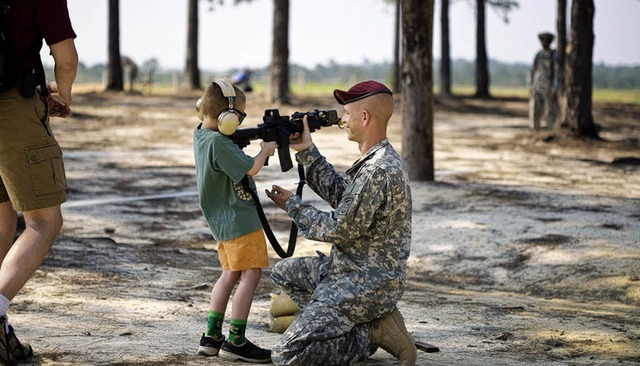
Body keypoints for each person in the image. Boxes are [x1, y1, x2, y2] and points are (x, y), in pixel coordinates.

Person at [265, 80, 417, 365]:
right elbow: (340, 194)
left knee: (286, 355)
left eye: (347, 113)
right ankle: (347, 323)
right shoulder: (374, 161)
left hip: (364, 283)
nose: (343, 119)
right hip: (348, 269)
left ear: (364, 117)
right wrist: (307, 150)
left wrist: (293, 206)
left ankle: (367, 332)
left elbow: (339, 228)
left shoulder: (378, 170)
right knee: (284, 272)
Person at [0, 0, 78, 363]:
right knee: (44, 220)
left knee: (1, 221)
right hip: (12, 111)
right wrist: (63, 94)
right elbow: (65, 58)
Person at [193, 80, 275, 363]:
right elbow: (251, 168)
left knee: (229, 274)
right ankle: (236, 341)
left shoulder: (202, 136)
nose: (239, 122)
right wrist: (265, 150)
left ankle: (212, 337)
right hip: (240, 218)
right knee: (251, 275)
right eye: (239, 117)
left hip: (222, 220)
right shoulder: (219, 142)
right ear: (227, 118)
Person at [528, 31, 559, 131]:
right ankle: (535, 128)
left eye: (545, 41)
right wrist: (531, 85)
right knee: (535, 109)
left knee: (550, 110)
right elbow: (532, 70)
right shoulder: (538, 55)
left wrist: (554, 88)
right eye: (542, 41)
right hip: (537, 86)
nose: (543, 43)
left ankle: (550, 129)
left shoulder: (554, 55)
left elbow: (557, 73)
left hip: (548, 87)